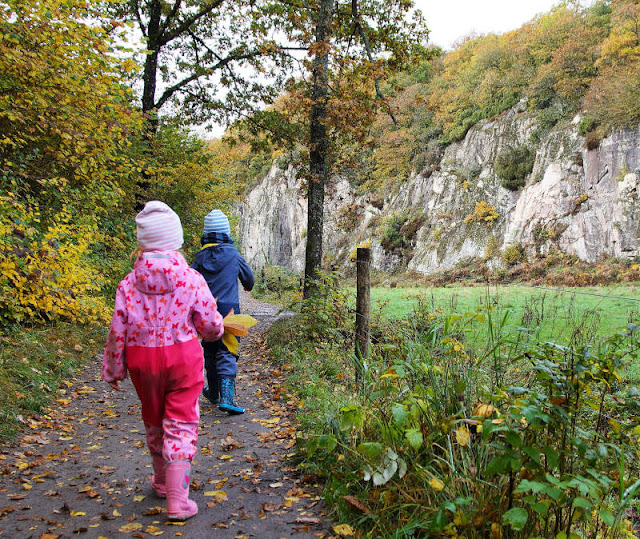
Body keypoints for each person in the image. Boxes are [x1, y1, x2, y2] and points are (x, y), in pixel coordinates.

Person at [102, 201, 224, 521]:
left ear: (143, 243)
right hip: (183, 357)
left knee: (154, 420)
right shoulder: (191, 278)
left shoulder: (128, 284)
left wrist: (115, 368)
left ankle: (160, 480)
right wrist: (214, 333)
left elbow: (118, 330)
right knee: (181, 423)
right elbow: (210, 325)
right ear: (177, 240)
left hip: (142, 360)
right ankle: (178, 500)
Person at [191, 209, 254, 415]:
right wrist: (247, 285)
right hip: (229, 310)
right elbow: (249, 278)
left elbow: (190, 283)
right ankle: (227, 396)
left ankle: (214, 391)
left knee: (209, 349)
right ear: (226, 232)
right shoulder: (232, 254)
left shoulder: (200, 257)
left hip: (206, 310)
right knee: (227, 350)